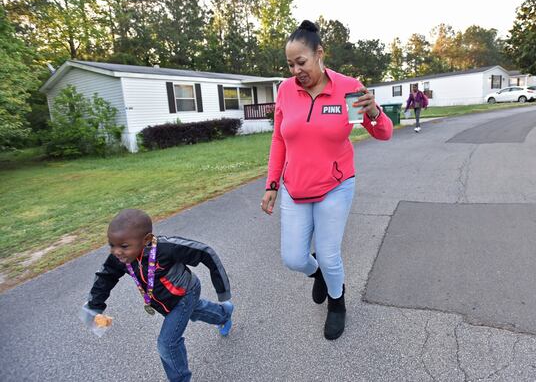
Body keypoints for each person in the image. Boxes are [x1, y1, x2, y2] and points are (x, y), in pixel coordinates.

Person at [260, 20, 393, 340]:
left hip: (335, 185)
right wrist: (272, 184)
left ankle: (337, 303)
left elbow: (383, 133)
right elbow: (279, 140)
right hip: (295, 185)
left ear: (319, 54)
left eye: (301, 62)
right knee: (293, 257)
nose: (296, 70)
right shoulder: (285, 90)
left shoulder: (347, 87)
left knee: (329, 252)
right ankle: (317, 271)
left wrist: (374, 111)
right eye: (290, 64)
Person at [81, 209, 233, 382]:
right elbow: (106, 276)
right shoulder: (121, 257)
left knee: (167, 344)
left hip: (185, 294)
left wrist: (223, 290)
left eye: (123, 246)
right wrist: (95, 305)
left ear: (146, 240)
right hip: (163, 301)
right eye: (111, 245)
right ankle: (224, 314)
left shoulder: (167, 248)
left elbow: (206, 252)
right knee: (196, 310)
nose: (116, 252)